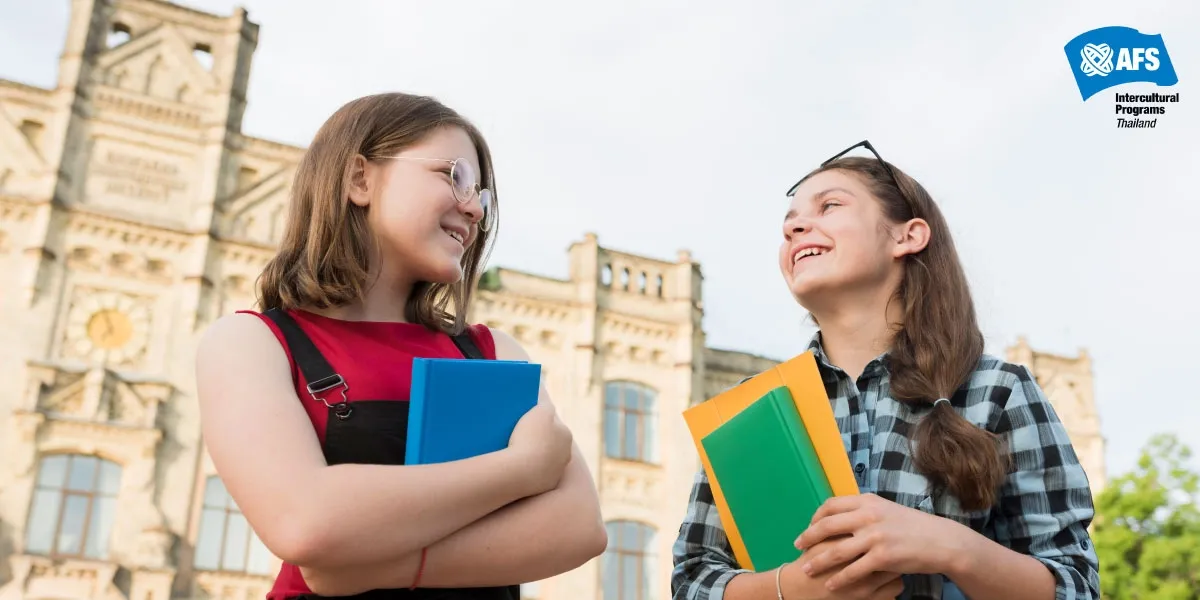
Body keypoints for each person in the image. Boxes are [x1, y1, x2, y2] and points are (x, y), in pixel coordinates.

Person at [195, 92, 607, 600]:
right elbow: (304, 521)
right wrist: (520, 469)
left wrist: (373, 567)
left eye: (481, 195)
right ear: (359, 180)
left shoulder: (494, 351)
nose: (474, 208)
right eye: (455, 176)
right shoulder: (253, 343)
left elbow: (579, 527)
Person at [670, 141, 1100, 600]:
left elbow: (1075, 586)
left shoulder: (999, 391)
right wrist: (788, 588)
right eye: (789, 222)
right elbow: (692, 580)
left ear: (907, 236)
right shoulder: (749, 410)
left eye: (829, 205)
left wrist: (949, 546)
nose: (794, 227)